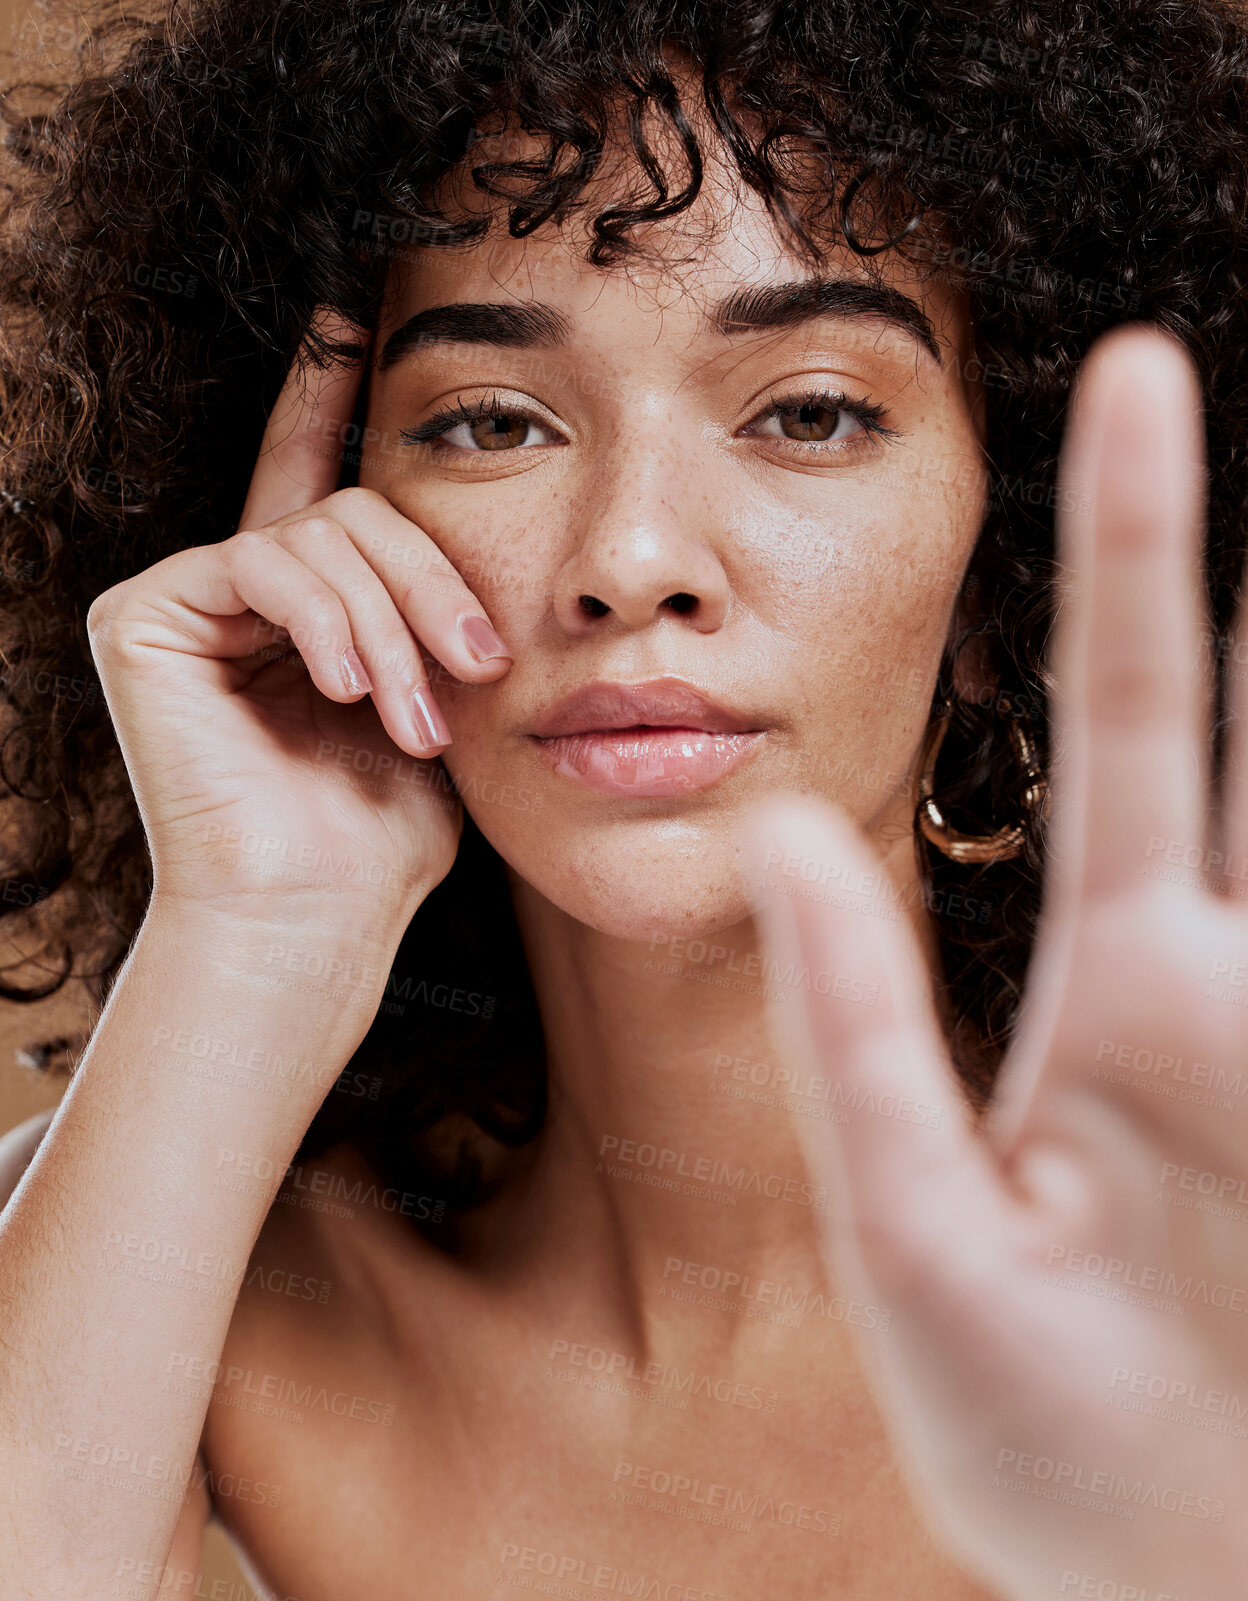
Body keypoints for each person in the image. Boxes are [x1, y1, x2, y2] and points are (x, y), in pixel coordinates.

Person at [1, 2, 1247, 1597]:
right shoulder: (170, 1293)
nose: (631, 560)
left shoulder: (1203, 1292)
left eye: (809, 411)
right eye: (494, 422)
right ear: (333, 510)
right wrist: (262, 924)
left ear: (1006, 578)